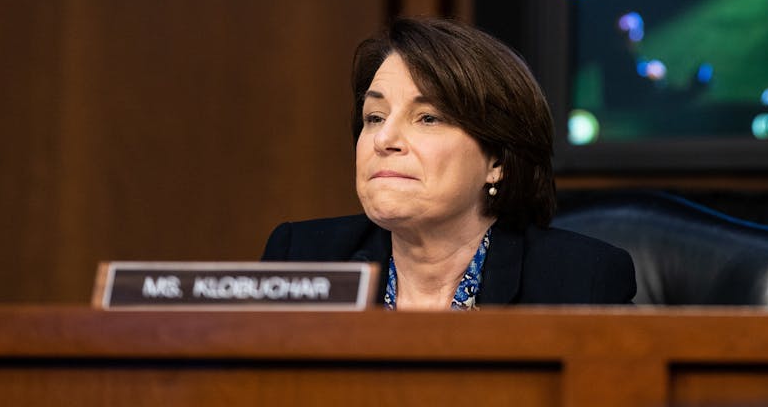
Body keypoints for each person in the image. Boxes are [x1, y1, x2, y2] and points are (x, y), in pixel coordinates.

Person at [262, 17, 636, 308]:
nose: (384, 140)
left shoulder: (579, 280)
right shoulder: (302, 258)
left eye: (428, 118)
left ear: (497, 160)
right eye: (374, 117)